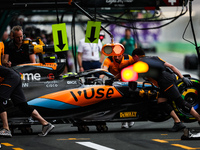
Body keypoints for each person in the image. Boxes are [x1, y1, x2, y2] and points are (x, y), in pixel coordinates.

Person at [132, 48, 200, 131]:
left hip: (165, 81)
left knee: (180, 102)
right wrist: (181, 77)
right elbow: (171, 66)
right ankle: (178, 122)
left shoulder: (141, 63)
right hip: (169, 78)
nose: (133, 60)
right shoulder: (155, 58)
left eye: (133, 58)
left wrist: (182, 78)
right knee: (161, 101)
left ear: (135, 56)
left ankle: (198, 118)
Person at [0, 65, 55, 137]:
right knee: (22, 105)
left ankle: (6, 129)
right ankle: (46, 124)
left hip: (11, 77)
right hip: (15, 77)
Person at [100, 48, 135, 128]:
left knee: (129, 101)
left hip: (128, 82)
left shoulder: (128, 58)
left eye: (118, 56)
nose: (116, 58)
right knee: (119, 102)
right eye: (115, 56)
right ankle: (124, 121)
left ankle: (130, 118)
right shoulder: (108, 60)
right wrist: (100, 78)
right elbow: (104, 70)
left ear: (122, 54)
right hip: (116, 83)